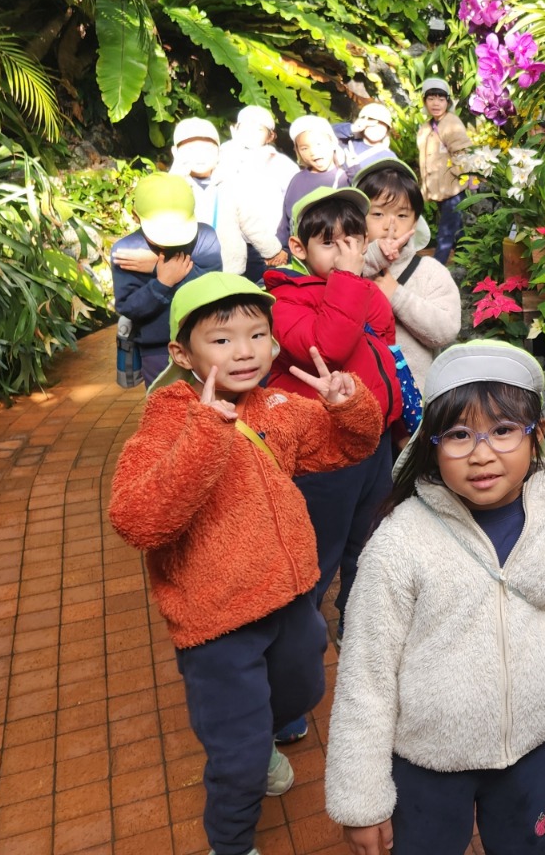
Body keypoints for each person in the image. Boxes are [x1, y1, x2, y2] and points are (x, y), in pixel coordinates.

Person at [107, 273, 383, 855]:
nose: (245, 351)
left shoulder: (276, 406)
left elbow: (350, 446)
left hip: (289, 599)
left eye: (258, 335)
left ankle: (259, 742)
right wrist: (207, 432)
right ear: (182, 353)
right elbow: (138, 520)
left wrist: (348, 405)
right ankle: (231, 841)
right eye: (222, 339)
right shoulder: (168, 420)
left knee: (305, 687)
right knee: (238, 756)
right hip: (217, 622)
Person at [324, 340, 545, 855]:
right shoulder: (400, 540)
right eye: (459, 435)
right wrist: (361, 799)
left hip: (533, 751)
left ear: (537, 435)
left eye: (503, 430)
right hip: (428, 762)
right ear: (432, 444)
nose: (481, 454)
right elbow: (366, 676)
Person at [265, 186, 410, 724]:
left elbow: (385, 349)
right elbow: (326, 345)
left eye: (353, 238)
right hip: (323, 458)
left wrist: (398, 426)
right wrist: (349, 281)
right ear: (298, 248)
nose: (346, 251)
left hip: (374, 444)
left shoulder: (363, 291)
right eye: (330, 242)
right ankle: (289, 692)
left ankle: (355, 623)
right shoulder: (282, 302)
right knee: (313, 566)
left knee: (366, 548)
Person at [354, 155, 462, 391]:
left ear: (414, 223)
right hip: (360, 399)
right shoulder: (346, 270)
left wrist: (397, 296)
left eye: (402, 215)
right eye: (378, 214)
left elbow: (446, 330)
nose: (390, 225)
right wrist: (373, 257)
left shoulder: (430, 272)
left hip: (416, 399)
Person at [111, 172, 223, 387]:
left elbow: (215, 290)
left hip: (208, 341)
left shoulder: (205, 237)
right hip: (157, 349)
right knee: (166, 406)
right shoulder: (126, 251)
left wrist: (158, 267)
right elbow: (129, 307)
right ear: (135, 216)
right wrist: (162, 283)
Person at [171, 117, 286, 278]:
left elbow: (251, 222)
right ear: (176, 153)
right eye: (190, 150)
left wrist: (272, 250)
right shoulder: (170, 187)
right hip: (186, 272)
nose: (200, 156)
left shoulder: (232, 183)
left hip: (229, 269)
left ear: (219, 153)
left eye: (208, 149)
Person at [218, 106, 298, 279]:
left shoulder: (282, 164)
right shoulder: (219, 158)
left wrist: (282, 246)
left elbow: (294, 203)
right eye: (245, 126)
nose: (251, 132)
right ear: (234, 129)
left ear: (270, 136)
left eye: (259, 129)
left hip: (269, 245)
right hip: (227, 245)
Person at [415, 77, 471, 263]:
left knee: (446, 230)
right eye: (431, 98)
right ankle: (469, 261)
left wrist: (455, 177)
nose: (436, 103)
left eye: (441, 99)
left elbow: (463, 154)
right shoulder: (427, 126)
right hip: (439, 188)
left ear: (448, 101)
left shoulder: (451, 123)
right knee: (457, 228)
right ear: (425, 101)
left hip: (452, 188)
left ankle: (437, 266)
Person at [277, 115, 350, 249]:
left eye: (319, 144)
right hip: (295, 253)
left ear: (333, 143)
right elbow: (286, 223)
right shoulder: (297, 179)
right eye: (304, 148)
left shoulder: (344, 180)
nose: (313, 152)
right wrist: (279, 249)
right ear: (297, 151)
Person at [336, 102, 398, 175]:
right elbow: (327, 132)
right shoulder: (347, 139)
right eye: (371, 121)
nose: (376, 127)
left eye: (382, 123)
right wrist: (353, 128)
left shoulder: (388, 158)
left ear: (387, 129)